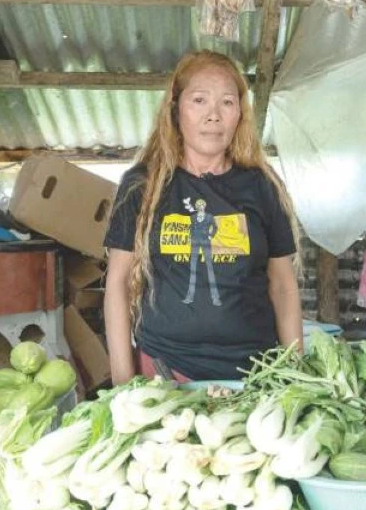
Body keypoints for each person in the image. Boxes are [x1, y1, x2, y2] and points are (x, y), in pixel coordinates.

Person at [102, 50, 303, 385]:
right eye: (199, 100)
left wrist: (296, 376)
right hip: (166, 374)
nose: (214, 116)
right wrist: (123, 384)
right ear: (175, 109)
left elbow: (283, 286)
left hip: (255, 375)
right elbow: (118, 284)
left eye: (227, 102)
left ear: (240, 113)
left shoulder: (261, 187)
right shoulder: (142, 185)